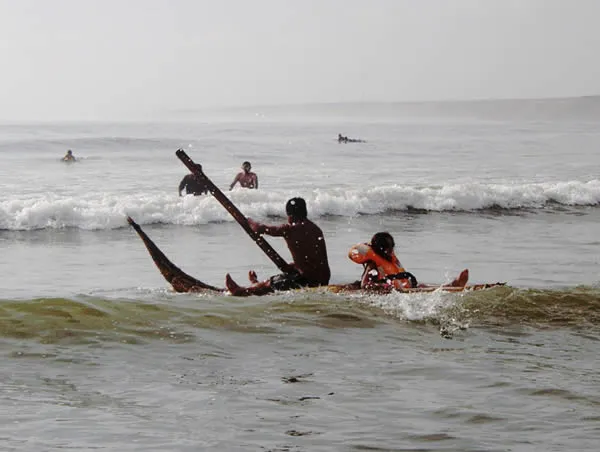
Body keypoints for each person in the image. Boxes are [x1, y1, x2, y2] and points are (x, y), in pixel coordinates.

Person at [225, 197, 331, 296]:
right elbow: (313, 258)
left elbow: (259, 228)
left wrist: (249, 221)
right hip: (324, 278)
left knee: (271, 282)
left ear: (290, 216)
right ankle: (256, 284)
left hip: (308, 280)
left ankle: (242, 291)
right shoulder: (316, 229)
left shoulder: (289, 229)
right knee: (289, 269)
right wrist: (294, 266)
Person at [348, 232, 469, 291]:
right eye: (388, 248)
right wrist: (386, 287)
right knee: (420, 288)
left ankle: (451, 286)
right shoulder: (372, 264)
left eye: (392, 247)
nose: (391, 251)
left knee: (421, 286)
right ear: (380, 249)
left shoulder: (388, 258)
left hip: (402, 288)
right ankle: (452, 286)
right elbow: (365, 285)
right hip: (390, 291)